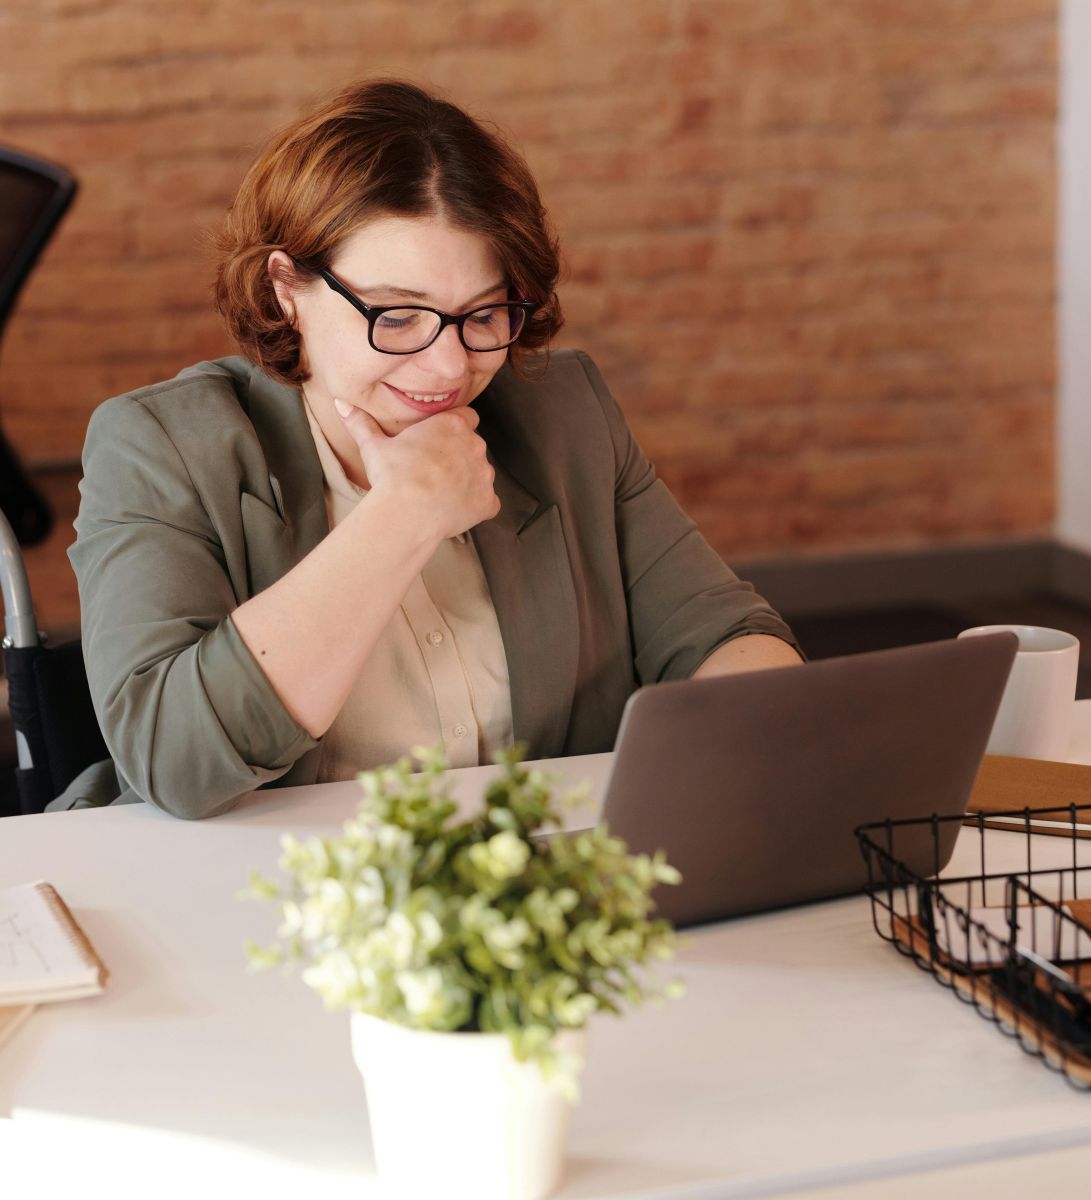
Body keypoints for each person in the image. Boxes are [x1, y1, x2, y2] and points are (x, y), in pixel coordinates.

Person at [53, 79, 800, 819]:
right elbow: (171, 757)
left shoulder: (564, 413)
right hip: (266, 898)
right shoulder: (159, 447)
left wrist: (781, 735)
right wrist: (402, 517)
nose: (447, 368)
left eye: (483, 313)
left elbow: (723, 636)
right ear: (286, 287)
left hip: (534, 888)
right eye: (397, 316)